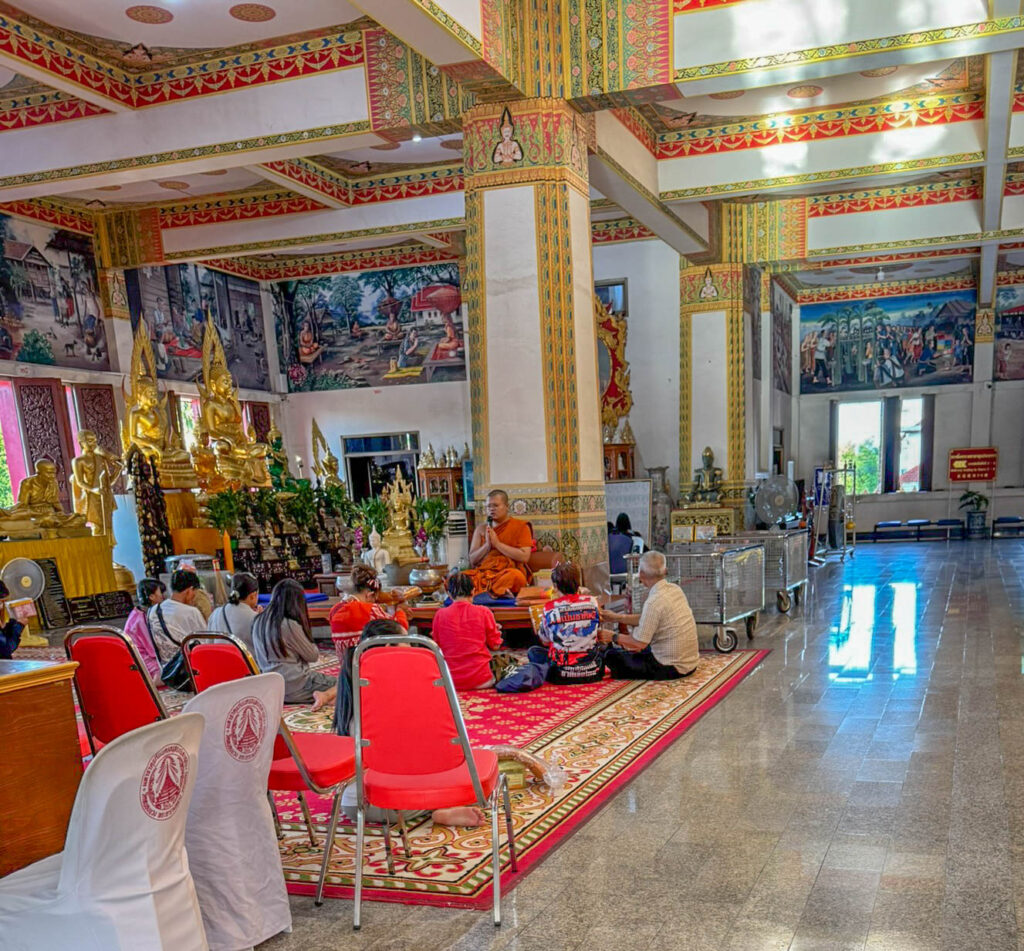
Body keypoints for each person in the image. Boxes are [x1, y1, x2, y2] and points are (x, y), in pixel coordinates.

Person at [332, 618, 486, 828]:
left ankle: (439, 806)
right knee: (460, 771)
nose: (412, 649)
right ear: (389, 647)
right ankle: (440, 808)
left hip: (354, 804)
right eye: (408, 642)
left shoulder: (352, 690)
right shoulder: (404, 693)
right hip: (399, 801)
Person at [597, 551, 699, 680]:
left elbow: (639, 644)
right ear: (665, 571)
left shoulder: (654, 601)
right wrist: (617, 617)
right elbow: (647, 619)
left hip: (669, 667)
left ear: (641, 575)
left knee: (611, 655)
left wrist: (612, 636)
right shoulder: (675, 589)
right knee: (629, 652)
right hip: (690, 663)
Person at [252, 578, 333, 704]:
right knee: (348, 683)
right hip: (296, 685)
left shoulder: (258, 620)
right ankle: (326, 696)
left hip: (272, 687)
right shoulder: (288, 624)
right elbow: (312, 655)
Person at [530, 562, 604, 684]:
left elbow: (545, 641)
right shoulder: (592, 602)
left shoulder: (549, 608)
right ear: (578, 583)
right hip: (593, 671)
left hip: (560, 674)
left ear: (555, 586)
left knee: (533, 652)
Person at [431, 571, 503, 690]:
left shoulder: (440, 615)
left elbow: (438, 646)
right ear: (473, 591)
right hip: (482, 680)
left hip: (450, 682)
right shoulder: (484, 612)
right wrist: (495, 630)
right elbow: (495, 646)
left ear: (449, 594)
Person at [465, 489, 534, 597]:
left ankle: (487, 593)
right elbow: (473, 560)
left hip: (506, 574)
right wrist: (487, 546)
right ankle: (497, 592)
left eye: (495, 506)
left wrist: (497, 544)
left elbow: (524, 556)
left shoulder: (521, 527)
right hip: (484, 575)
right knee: (462, 578)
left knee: (515, 576)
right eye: (489, 506)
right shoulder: (481, 529)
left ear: (507, 506)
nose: (491, 509)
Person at [328, 564, 409, 649]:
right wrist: (400, 610)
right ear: (370, 595)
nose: (376, 602)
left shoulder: (334, 609)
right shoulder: (370, 609)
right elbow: (398, 630)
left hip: (345, 660)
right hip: (364, 657)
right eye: (375, 598)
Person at [148, 569, 206, 664]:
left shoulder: (153, 610)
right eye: (194, 592)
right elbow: (205, 642)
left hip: (167, 670)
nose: (194, 597)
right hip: (189, 669)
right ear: (190, 590)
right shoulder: (191, 612)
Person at [207, 571, 261, 652]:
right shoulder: (255, 618)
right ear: (253, 596)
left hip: (218, 662)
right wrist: (262, 619)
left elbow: (209, 644)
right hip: (244, 664)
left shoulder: (215, 613)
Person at [124, 578, 164, 683]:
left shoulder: (140, 613)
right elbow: (152, 650)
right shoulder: (140, 620)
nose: (163, 596)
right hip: (143, 661)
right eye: (160, 593)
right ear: (151, 597)